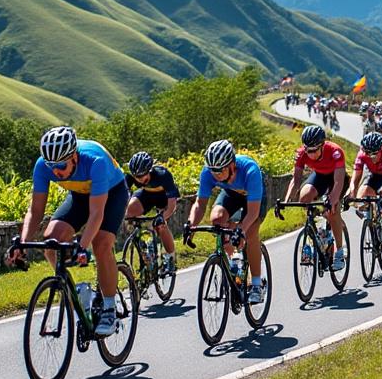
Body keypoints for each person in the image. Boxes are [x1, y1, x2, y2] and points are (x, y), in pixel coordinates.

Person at [8, 126, 129, 337]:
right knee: (50, 241)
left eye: (61, 165)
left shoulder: (95, 162)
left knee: (101, 245)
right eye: (51, 166)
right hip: (80, 195)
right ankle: (77, 291)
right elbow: (36, 210)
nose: (56, 172)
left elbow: (96, 214)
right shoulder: (42, 166)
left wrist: (82, 247)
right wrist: (23, 243)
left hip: (112, 193)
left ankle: (110, 307)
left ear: (74, 156)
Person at [188, 139, 270, 304]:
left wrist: (242, 229)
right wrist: (191, 225)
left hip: (253, 199)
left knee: (251, 232)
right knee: (217, 220)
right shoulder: (208, 173)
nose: (216, 174)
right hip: (231, 194)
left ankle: (256, 284)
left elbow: (253, 212)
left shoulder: (249, 170)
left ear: (232, 165)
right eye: (213, 171)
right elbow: (200, 204)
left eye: (220, 170)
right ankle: (234, 256)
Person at [284, 124, 349, 271]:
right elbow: (296, 180)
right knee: (304, 197)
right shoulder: (301, 154)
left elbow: (338, 182)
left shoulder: (335, 151)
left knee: (332, 209)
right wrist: (287, 200)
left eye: (314, 150)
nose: (311, 154)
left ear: (322, 145)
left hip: (337, 177)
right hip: (320, 176)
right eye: (308, 150)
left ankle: (339, 252)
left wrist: (333, 201)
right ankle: (319, 228)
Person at [124, 151, 180, 273]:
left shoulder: (163, 175)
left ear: (149, 170)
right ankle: (143, 245)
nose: (138, 179)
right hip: (146, 195)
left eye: (142, 176)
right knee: (129, 212)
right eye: (136, 177)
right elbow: (123, 197)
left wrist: (163, 217)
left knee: (161, 225)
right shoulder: (130, 177)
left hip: (164, 198)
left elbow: (172, 204)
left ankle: (171, 258)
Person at [349, 131, 382, 249]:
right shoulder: (362, 154)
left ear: (381, 149)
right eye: (368, 154)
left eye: (374, 154)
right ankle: (373, 219)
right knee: (362, 197)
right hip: (375, 174)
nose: (371, 157)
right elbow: (356, 176)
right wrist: (353, 193)